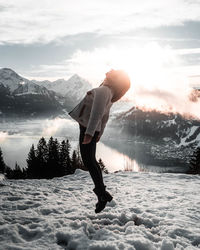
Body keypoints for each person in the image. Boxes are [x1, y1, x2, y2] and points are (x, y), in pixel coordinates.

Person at [68, 69, 131, 213]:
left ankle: (102, 195)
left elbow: (97, 113)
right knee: (91, 161)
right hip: (90, 128)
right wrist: (99, 132)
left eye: (112, 72)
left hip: (87, 128)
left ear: (115, 79)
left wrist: (89, 134)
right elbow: (105, 116)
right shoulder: (108, 92)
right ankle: (102, 193)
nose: (107, 72)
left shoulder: (103, 91)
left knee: (89, 161)